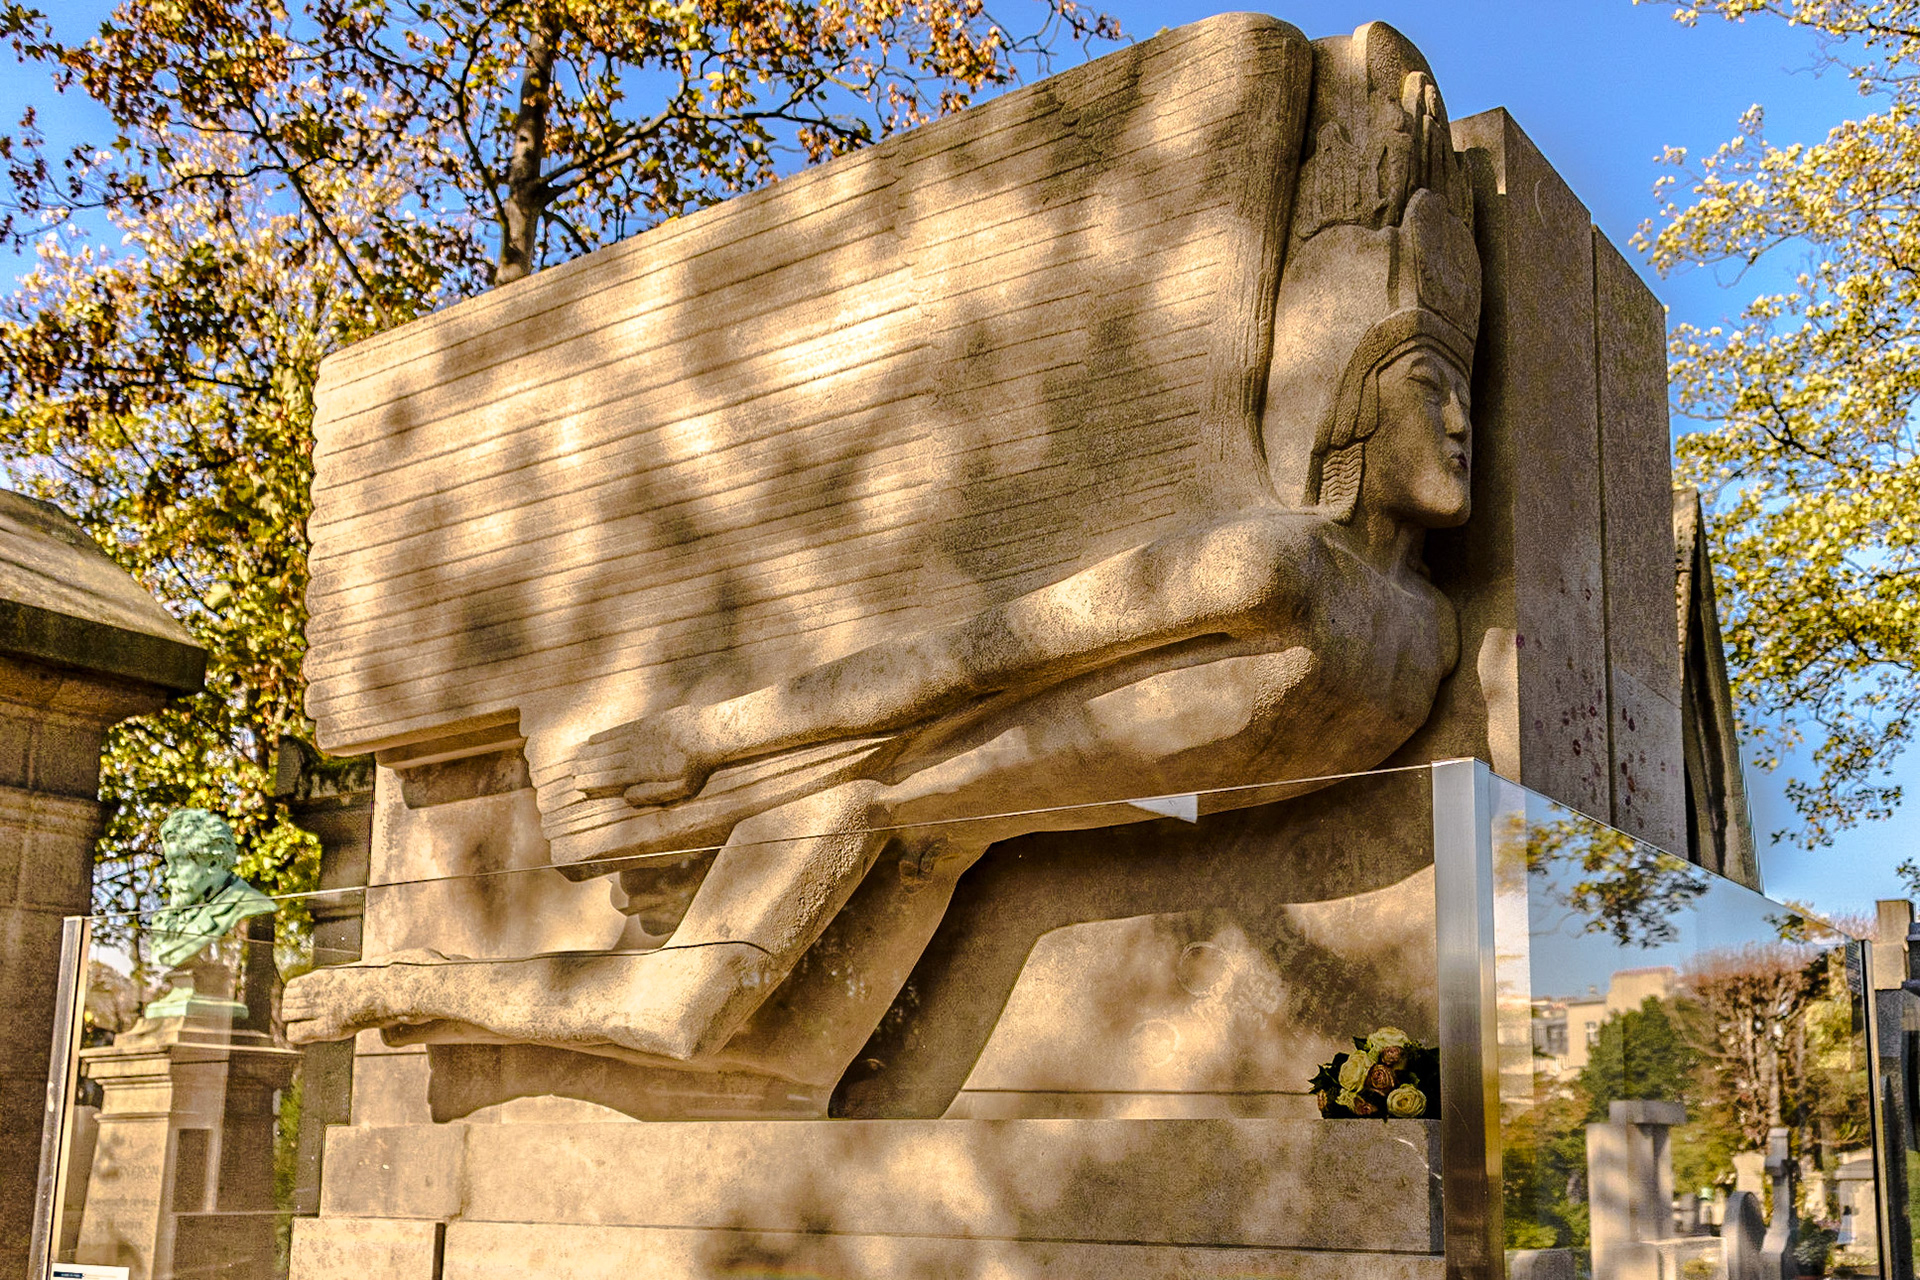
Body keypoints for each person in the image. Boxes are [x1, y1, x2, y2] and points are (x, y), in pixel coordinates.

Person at [283, 22, 1479, 1071]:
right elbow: (965, 658)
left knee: (748, 1049)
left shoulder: (1422, 636)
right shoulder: (1263, 564)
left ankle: (414, 984)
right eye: (1430, 381)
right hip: (861, 780)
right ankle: (405, 983)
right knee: (682, 1018)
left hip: (952, 826)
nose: (1466, 418)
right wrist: (696, 739)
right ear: (1353, 399)